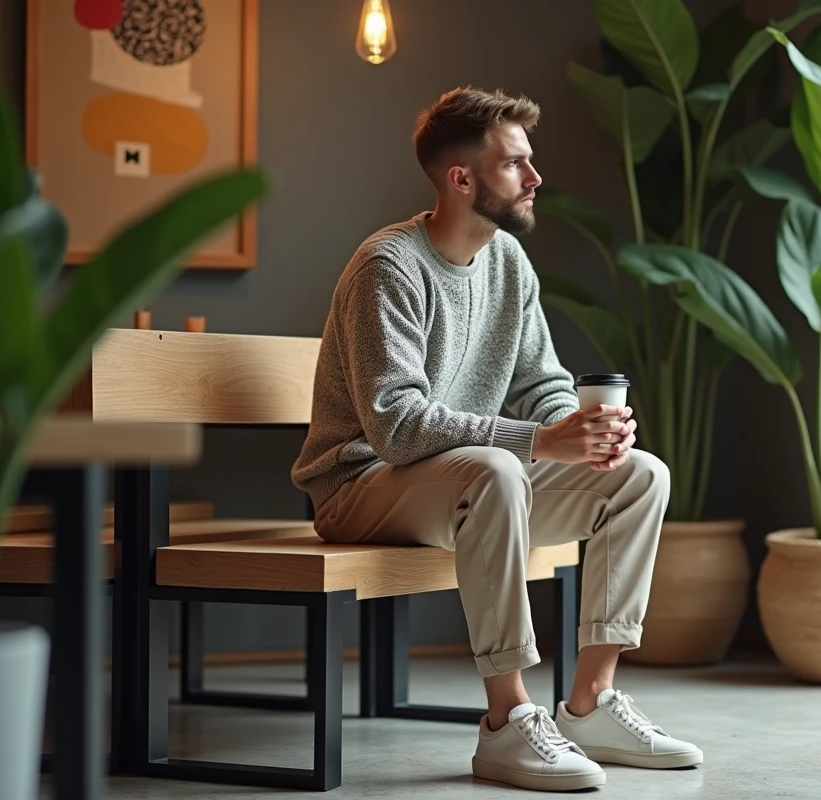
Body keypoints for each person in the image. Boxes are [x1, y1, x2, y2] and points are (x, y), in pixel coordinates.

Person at [291, 86, 701, 792]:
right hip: (359, 487)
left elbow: (540, 382)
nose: (536, 178)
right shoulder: (388, 266)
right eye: (516, 164)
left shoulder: (508, 262)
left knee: (640, 475)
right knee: (495, 470)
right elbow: (395, 424)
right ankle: (506, 723)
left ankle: (591, 703)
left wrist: (586, 429)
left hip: (465, 482)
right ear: (462, 179)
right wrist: (544, 440)